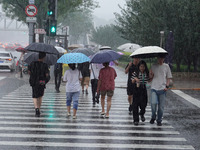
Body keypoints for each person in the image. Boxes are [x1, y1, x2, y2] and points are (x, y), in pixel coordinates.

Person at [149, 54, 172, 126]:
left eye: (162, 58)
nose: (160, 59)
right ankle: (153, 116)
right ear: (157, 58)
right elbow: (150, 79)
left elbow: (169, 77)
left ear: (164, 59)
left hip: (162, 89)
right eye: (159, 58)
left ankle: (159, 120)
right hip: (154, 88)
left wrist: (167, 86)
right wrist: (150, 74)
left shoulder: (166, 66)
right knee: (153, 103)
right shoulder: (153, 66)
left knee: (161, 107)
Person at [28, 52, 50, 117]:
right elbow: (47, 75)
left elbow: (29, 72)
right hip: (42, 81)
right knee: (40, 96)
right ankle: (39, 109)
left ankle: (36, 108)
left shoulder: (32, 64)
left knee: (34, 95)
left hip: (34, 81)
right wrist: (46, 80)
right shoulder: (45, 65)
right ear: (43, 57)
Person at [131, 60, 150, 125]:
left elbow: (149, 80)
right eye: (141, 66)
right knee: (135, 105)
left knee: (143, 104)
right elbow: (132, 81)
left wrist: (151, 76)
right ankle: (136, 119)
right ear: (139, 67)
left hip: (143, 89)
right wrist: (135, 79)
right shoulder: (135, 73)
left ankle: (142, 113)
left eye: (143, 67)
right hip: (137, 89)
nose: (142, 68)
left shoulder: (147, 73)